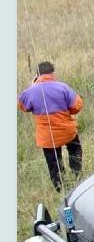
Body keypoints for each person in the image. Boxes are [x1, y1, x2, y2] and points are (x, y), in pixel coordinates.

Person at [18, 61, 84, 191]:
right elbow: (77, 106)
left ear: (37, 75)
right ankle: (77, 179)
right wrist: (66, 112)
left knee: (54, 163)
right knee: (75, 150)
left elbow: (23, 106)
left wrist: (33, 85)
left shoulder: (31, 91)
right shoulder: (63, 87)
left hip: (47, 137)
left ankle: (61, 189)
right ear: (52, 73)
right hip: (67, 131)